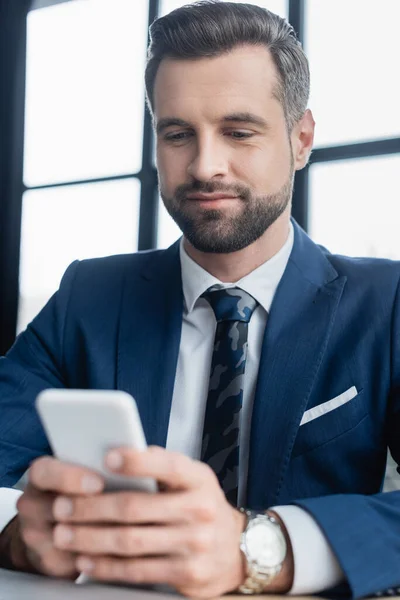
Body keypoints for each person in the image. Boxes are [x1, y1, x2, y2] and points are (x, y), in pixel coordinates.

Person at [0, 1, 399, 597]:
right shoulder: (88, 295)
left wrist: (260, 550)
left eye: (239, 132)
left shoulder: (386, 303)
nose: (205, 166)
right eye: (178, 134)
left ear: (301, 139)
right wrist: (14, 530)